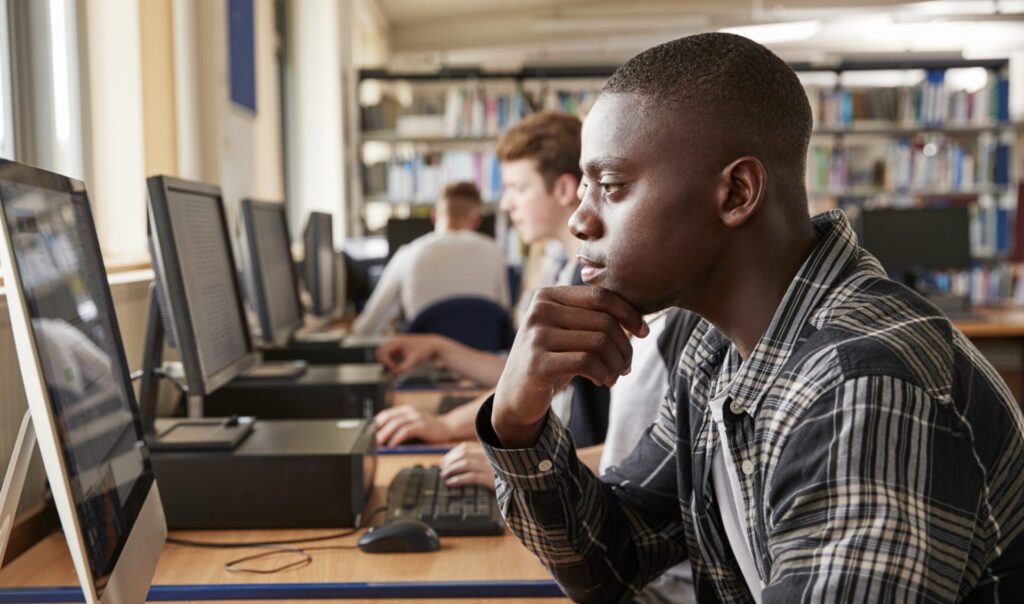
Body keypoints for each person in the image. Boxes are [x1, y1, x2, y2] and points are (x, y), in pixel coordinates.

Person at [477, 32, 1024, 602]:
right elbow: (617, 555)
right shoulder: (716, 353)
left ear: (737, 193)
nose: (580, 221)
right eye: (585, 187)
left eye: (611, 187)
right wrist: (518, 420)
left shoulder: (863, 384)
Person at [374, 111, 598, 448]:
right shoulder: (565, 268)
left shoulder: (587, 284)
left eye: (518, 188)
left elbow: (537, 383)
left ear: (565, 189)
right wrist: (439, 347)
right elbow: (523, 373)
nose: (506, 203)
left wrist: (447, 425)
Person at [351, 181, 509, 336]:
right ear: (477, 220)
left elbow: (366, 328)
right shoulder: (495, 252)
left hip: (422, 359)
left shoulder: (408, 254)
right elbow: (504, 317)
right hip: (481, 360)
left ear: (434, 215)